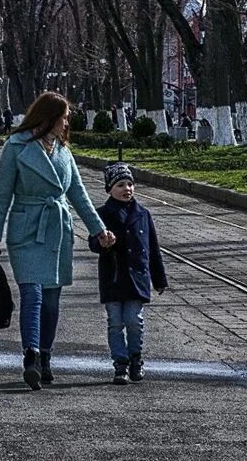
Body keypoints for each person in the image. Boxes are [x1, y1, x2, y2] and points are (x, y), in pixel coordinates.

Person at [0, 91, 114, 391]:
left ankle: (45, 357)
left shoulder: (64, 152)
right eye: (64, 116)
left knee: (52, 302)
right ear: (49, 117)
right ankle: (30, 355)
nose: (67, 122)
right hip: (26, 229)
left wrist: (99, 230)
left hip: (56, 229)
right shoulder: (15, 147)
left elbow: (78, 195)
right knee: (32, 294)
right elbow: (2, 194)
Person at [89, 163, 167, 384]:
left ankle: (136, 359)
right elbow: (92, 242)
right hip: (113, 278)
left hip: (136, 279)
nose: (127, 189)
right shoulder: (101, 214)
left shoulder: (143, 214)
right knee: (115, 322)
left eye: (130, 184)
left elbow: (153, 249)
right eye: (121, 184)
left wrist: (159, 279)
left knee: (134, 320)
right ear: (109, 189)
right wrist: (103, 243)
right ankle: (120, 364)